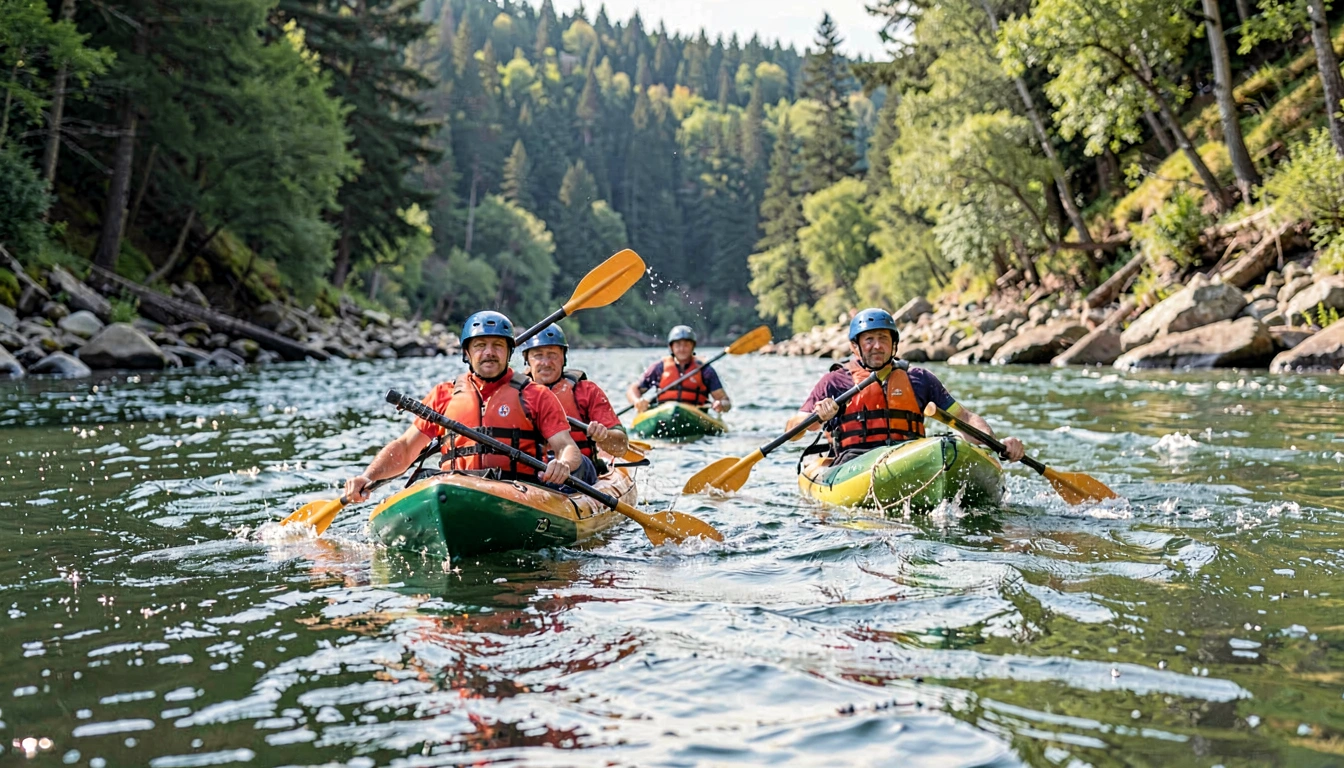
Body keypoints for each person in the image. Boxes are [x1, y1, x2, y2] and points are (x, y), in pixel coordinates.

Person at [342, 311, 584, 502]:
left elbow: (566, 447)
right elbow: (405, 448)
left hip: (517, 493)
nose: (489, 353)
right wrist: (367, 476)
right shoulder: (443, 395)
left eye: (498, 345)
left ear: (509, 351)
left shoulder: (536, 395)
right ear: (466, 353)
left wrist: (562, 464)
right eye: (480, 345)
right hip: (455, 489)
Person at [786, 307, 1025, 467]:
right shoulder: (835, 381)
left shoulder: (919, 379)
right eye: (869, 339)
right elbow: (793, 430)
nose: (877, 346)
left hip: (910, 459)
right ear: (854, 347)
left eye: (884, 338)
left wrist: (996, 444)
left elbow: (964, 418)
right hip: (854, 463)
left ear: (894, 345)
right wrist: (818, 416)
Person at [518, 323, 629, 483]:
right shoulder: (513, 392)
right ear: (527, 360)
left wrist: (603, 436)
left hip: (578, 473)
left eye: (552, 355)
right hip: (529, 472)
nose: (546, 362)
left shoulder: (586, 391)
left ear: (564, 358)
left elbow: (621, 447)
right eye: (538, 355)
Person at [625, 325, 731, 414]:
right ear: (671, 347)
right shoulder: (659, 368)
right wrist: (637, 401)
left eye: (686, 345)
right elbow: (633, 389)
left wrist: (721, 404)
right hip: (664, 413)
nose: (682, 349)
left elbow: (725, 401)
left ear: (693, 346)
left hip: (695, 414)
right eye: (678, 345)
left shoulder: (705, 370)